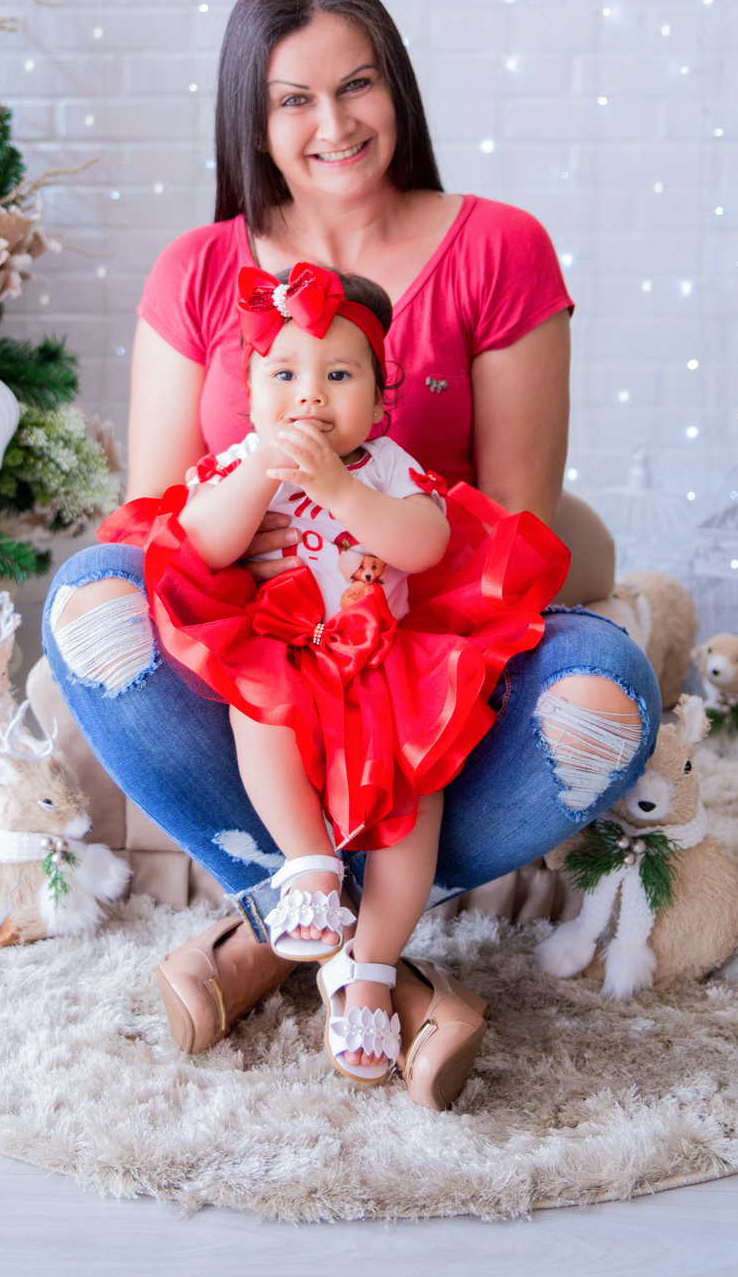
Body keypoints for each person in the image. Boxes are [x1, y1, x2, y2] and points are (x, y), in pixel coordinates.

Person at [35, 0, 661, 1110]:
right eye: (294, 100)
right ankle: (371, 964)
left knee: (609, 690)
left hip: (426, 649)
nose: (334, 124)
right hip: (262, 655)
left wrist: (373, 559)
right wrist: (256, 548)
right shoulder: (198, 270)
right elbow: (154, 518)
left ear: (398, 91)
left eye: (357, 86)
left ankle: (277, 938)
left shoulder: (500, 248)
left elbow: (518, 533)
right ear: (252, 119)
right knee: (90, 595)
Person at [112, 260, 569, 1084]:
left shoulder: (386, 467)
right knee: (261, 714)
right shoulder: (242, 463)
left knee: (412, 804)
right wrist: (261, 471)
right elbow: (204, 544)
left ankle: (371, 973)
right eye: (282, 374)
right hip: (285, 658)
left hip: (384, 669)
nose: (310, 395)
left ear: (379, 397)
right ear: (248, 393)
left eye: (338, 374)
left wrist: (341, 492)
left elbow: (425, 545)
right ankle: (309, 870)